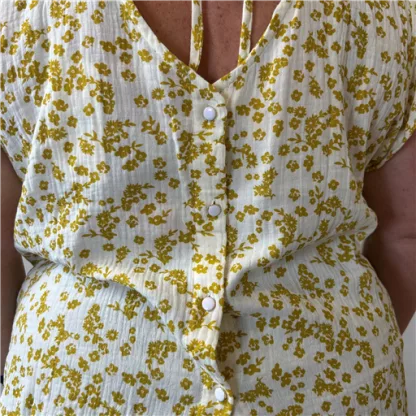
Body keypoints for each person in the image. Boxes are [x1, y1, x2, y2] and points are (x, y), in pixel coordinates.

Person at [0, 0, 415, 414]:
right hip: (331, 388)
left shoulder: (21, 11)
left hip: (75, 389)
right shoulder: (378, 11)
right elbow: (405, 236)